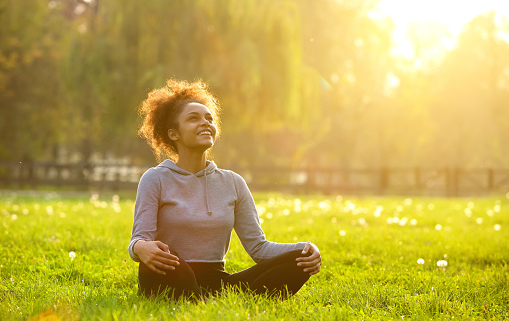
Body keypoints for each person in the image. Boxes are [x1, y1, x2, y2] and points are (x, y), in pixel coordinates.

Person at [128, 79, 321, 301]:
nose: (205, 123)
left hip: (216, 281)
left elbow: (258, 247)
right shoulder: (155, 178)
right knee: (171, 261)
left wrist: (307, 248)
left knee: (299, 259)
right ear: (174, 134)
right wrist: (141, 248)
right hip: (169, 272)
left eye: (209, 118)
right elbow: (139, 240)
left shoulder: (233, 182)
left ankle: (202, 299)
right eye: (193, 118)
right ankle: (200, 300)